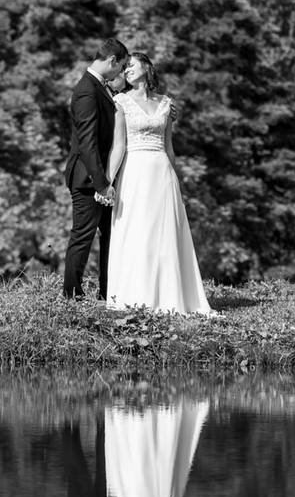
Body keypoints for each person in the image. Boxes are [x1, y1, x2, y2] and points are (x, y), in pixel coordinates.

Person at [104, 53, 212, 314]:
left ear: (146, 67)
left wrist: (176, 179)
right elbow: (119, 146)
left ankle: (169, 294)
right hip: (135, 172)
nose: (127, 70)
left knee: (164, 233)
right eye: (124, 67)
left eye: (132, 65)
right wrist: (108, 181)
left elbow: (169, 146)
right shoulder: (120, 102)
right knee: (138, 231)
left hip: (162, 173)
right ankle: (136, 295)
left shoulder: (166, 103)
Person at [63, 38, 130, 300]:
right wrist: (102, 183)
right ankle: (71, 295)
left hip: (101, 178)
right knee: (82, 236)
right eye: (121, 66)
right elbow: (87, 144)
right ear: (112, 61)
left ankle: (107, 292)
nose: (120, 73)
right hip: (88, 178)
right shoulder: (87, 90)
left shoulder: (99, 87)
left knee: (108, 237)